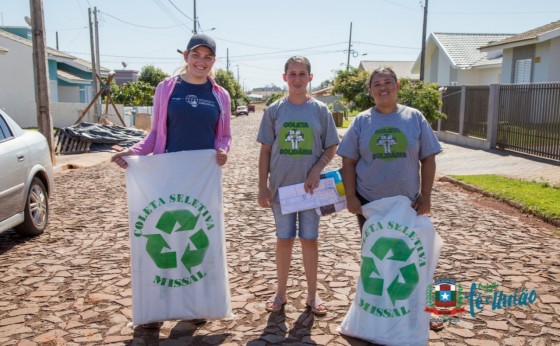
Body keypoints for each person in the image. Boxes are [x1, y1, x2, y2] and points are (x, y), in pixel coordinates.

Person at [111, 33, 232, 328]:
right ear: (186, 57)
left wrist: (223, 151)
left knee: (198, 235)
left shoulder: (220, 95)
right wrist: (133, 152)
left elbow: (225, 134)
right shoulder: (167, 88)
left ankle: (197, 304)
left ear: (213, 61)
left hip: (202, 178)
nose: (201, 62)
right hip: (167, 174)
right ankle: (158, 307)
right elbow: (154, 135)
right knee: (161, 235)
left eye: (207, 57)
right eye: (196, 55)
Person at [336, 66, 444, 330]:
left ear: (397, 86)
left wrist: (426, 195)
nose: (382, 87)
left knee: (417, 258)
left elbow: (428, 158)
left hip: (408, 205)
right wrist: (351, 196)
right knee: (376, 259)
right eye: (376, 84)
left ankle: (425, 312)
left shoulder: (414, 117)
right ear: (370, 90)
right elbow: (348, 161)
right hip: (370, 206)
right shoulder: (362, 121)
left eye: (388, 82)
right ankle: (376, 313)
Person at [257, 56, 340, 316]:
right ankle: (280, 293)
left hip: (310, 192)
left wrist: (317, 169)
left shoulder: (319, 110)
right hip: (281, 190)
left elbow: (331, 145)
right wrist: (262, 185)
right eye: (292, 74)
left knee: (309, 240)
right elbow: (266, 150)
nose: (297, 79)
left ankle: (312, 296)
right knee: (284, 240)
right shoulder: (274, 110)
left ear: (310, 78)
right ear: (284, 77)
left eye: (302, 74)